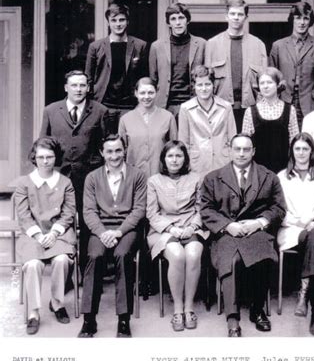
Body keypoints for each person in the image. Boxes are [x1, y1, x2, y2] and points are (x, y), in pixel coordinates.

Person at [200, 134, 286, 337]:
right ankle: (232, 317)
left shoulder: (268, 176)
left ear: (253, 151)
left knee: (262, 255)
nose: (241, 153)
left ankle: (257, 310)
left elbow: (279, 208)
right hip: (226, 233)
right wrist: (227, 225)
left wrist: (259, 223)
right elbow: (206, 210)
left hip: (256, 231)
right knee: (231, 260)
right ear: (230, 150)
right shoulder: (213, 178)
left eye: (246, 149)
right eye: (237, 149)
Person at [78, 134, 146, 338]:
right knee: (94, 256)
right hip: (100, 228)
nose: (114, 155)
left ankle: (123, 319)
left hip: (127, 229)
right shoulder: (92, 177)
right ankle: (89, 319)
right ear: (102, 153)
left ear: (124, 150)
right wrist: (102, 232)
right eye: (109, 151)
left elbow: (139, 209)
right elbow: (88, 211)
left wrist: (119, 231)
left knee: (123, 256)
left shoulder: (138, 175)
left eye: (118, 150)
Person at [40, 70, 108, 275]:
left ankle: (88, 274)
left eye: (82, 85)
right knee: (61, 221)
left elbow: (105, 145)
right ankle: (64, 274)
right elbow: (44, 144)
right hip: (59, 178)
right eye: (74, 85)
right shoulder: (51, 111)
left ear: (88, 88)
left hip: (88, 176)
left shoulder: (100, 111)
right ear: (66, 87)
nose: (78, 89)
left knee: (88, 222)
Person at [15, 137, 76, 335]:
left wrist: (55, 232)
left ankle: (57, 303)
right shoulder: (24, 183)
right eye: (40, 157)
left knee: (61, 260)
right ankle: (33, 312)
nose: (45, 161)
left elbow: (69, 212)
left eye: (49, 156)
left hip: (59, 233)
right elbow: (23, 215)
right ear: (34, 158)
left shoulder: (65, 182)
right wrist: (39, 235)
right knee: (33, 264)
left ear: (56, 157)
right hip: (33, 235)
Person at [277, 133, 314, 335]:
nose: (301, 153)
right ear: (292, 151)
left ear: (312, 152)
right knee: (312, 242)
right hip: (293, 229)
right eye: (297, 149)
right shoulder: (281, 177)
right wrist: (300, 222)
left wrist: (313, 219)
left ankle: (304, 294)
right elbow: (278, 210)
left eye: (305, 149)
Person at [147, 141, 208, 331]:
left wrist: (192, 227)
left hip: (191, 227)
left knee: (193, 254)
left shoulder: (196, 178)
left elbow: (202, 209)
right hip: (163, 230)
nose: (174, 160)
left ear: (185, 159)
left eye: (179, 156)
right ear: (164, 159)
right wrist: (171, 228)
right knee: (177, 254)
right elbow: (152, 213)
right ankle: (177, 308)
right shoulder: (154, 181)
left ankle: (189, 307)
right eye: (170, 156)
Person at [205, 0, 267, 132]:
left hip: (251, 109)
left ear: (246, 17)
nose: (236, 18)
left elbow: (264, 81)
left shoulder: (258, 45)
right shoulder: (212, 44)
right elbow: (206, 81)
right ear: (226, 16)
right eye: (232, 14)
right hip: (220, 107)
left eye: (240, 14)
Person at [85, 2, 147, 133]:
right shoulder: (95, 47)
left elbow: (144, 78)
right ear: (108, 22)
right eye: (113, 20)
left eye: (122, 20)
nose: (118, 24)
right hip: (104, 105)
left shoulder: (140, 45)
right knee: (106, 143)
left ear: (127, 21)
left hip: (130, 106)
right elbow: (88, 79)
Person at [269, 2, 314, 126]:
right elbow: (271, 79)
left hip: (309, 103)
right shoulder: (278, 46)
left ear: (310, 21)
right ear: (292, 20)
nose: (302, 22)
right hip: (283, 101)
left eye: (306, 18)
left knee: (307, 140)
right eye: (298, 18)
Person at [149, 3, 206, 121]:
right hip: (165, 106)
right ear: (168, 23)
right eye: (173, 19)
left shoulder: (201, 44)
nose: (178, 22)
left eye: (181, 18)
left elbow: (207, 76)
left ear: (188, 20)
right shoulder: (157, 46)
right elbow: (153, 80)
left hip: (193, 104)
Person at [178, 65, 237, 178]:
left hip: (222, 163)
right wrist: (188, 164)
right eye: (199, 85)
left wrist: (230, 160)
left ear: (213, 85)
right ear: (193, 86)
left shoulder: (226, 107)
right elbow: (183, 142)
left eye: (207, 84)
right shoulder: (185, 109)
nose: (204, 89)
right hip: (197, 165)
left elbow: (232, 139)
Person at [118, 77, 178, 180]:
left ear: (156, 92)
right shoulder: (125, 119)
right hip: (133, 179)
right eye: (142, 93)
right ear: (136, 93)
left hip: (161, 177)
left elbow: (175, 149)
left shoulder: (168, 117)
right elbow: (120, 153)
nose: (146, 97)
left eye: (150, 92)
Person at [242, 67, 299, 173]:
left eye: (269, 82)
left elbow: (294, 142)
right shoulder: (250, 111)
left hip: (283, 169)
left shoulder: (290, 110)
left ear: (278, 85)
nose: (265, 86)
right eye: (262, 83)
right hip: (258, 171)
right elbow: (245, 144)